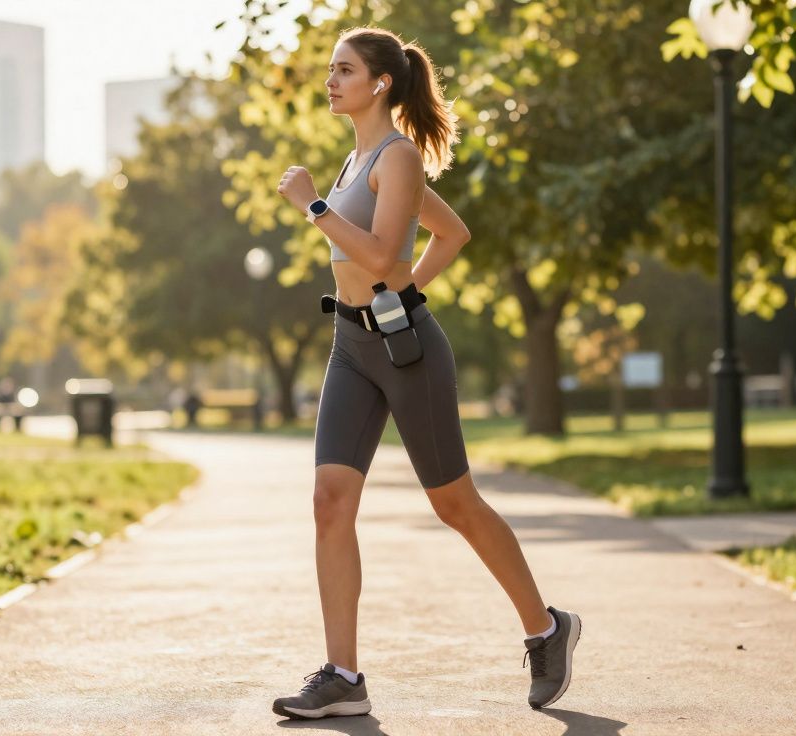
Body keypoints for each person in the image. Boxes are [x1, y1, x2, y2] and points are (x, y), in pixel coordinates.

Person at [272, 27, 581, 720]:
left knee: (455, 503)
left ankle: (547, 628)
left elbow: (384, 256)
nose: (331, 81)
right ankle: (344, 676)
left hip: (406, 352)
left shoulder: (398, 155)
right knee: (328, 501)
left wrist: (319, 212)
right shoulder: (357, 162)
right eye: (331, 70)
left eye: (344, 70)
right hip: (350, 346)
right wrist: (393, 288)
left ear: (380, 83)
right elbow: (447, 234)